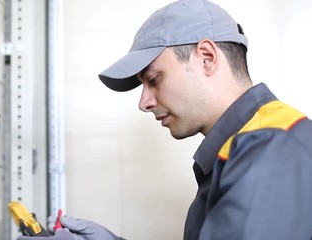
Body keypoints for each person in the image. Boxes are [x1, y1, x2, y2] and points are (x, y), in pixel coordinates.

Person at [17, 0, 312, 239]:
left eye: (154, 79)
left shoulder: (268, 150)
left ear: (207, 57)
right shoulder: (251, 145)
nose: (144, 103)